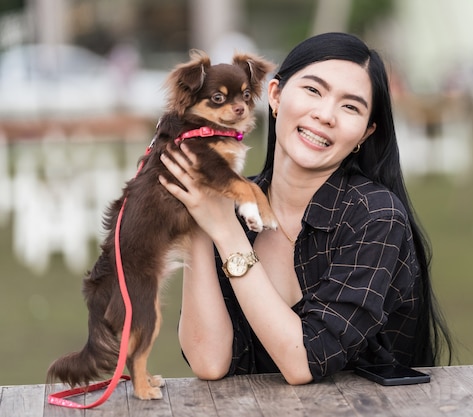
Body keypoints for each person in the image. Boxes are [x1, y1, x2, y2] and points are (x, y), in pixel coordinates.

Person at [159, 32, 453, 385]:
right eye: (313, 90)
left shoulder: (375, 217)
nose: (325, 115)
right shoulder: (229, 207)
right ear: (275, 96)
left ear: (365, 133)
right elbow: (209, 361)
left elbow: (305, 362)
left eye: (351, 107)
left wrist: (226, 233)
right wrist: (202, 220)